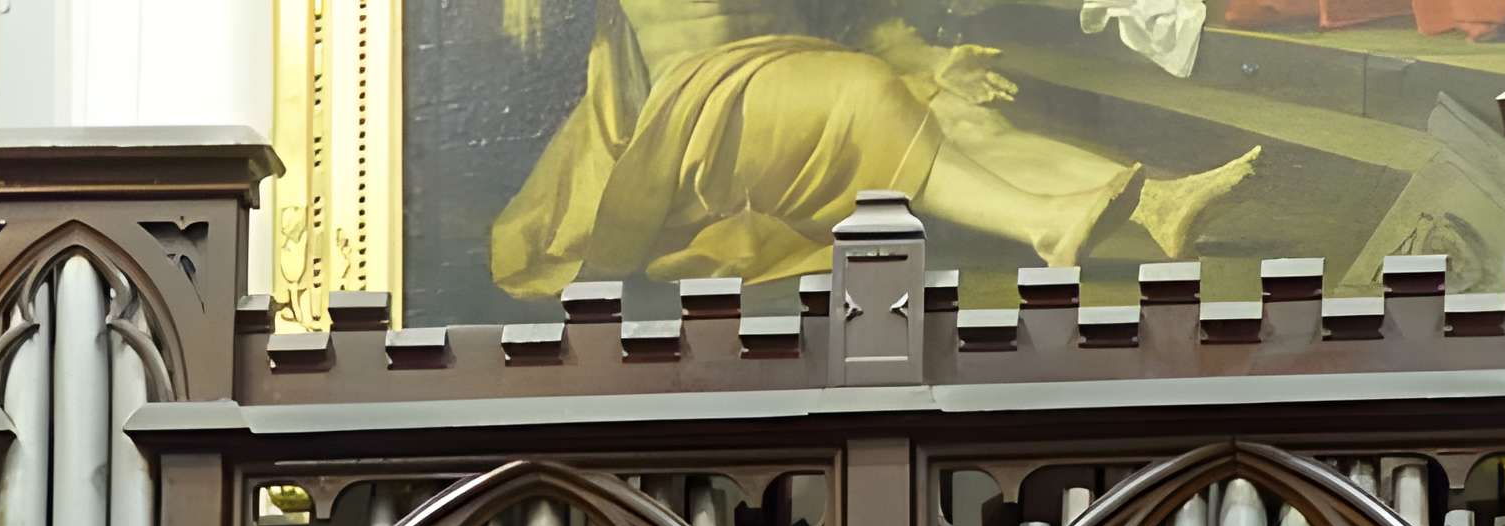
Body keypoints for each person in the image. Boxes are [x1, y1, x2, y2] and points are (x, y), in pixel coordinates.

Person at [492, 0, 1261, 297]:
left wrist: (933, 61)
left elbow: (854, 22)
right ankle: (1044, 223)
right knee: (863, 94)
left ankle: (1157, 205)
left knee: (952, 114)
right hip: (698, 125)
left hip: (792, 76)